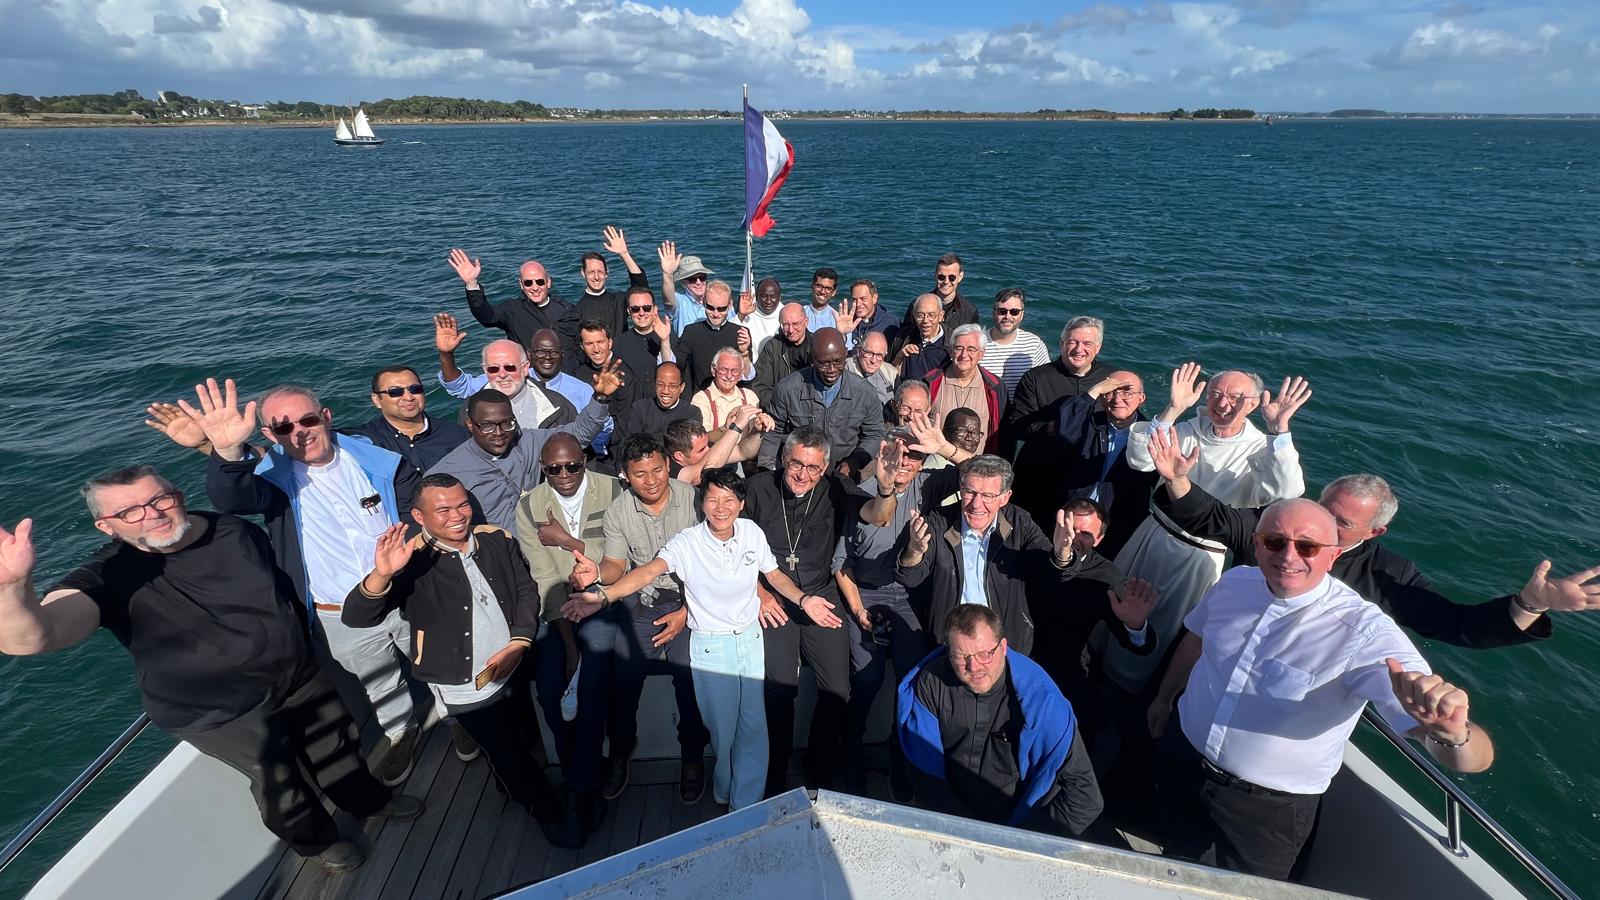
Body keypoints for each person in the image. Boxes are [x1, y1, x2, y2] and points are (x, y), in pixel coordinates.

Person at [0, 467, 420, 873]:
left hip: (299, 676)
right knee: (279, 782)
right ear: (106, 527)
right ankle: (319, 842)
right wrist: (11, 590)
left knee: (337, 745)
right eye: (129, 511)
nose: (152, 514)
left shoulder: (233, 531)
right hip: (219, 711)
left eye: (160, 499)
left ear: (178, 496)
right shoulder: (105, 577)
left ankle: (368, 801)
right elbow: (35, 637)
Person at [1147, 499, 1495, 880]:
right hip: (1183, 756)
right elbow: (1196, 639)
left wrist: (1452, 734)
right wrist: (1164, 699)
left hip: (1267, 809)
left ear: (1333, 556)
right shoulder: (1235, 583)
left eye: (1307, 547)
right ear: (1257, 544)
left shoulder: (1365, 633)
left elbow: (1468, 756)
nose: (1289, 556)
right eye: (1275, 541)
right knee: (1175, 852)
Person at [1148, 431, 1600, 648]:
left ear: (1375, 531)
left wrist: (1530, 604)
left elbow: (1456, 624)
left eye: (1342, 523)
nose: (1321, 527)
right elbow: (1212, 519)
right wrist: (1178, 481)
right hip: (1218, 652)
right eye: (1325, 509)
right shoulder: (1281, 525)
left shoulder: (1387, 575)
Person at [196, 378, 423, 786]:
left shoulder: (377, 461)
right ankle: (401, 732)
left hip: (405, 593)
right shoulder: (272, 482)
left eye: (307, 420)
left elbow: (414, 512)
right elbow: (232, 499)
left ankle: (458, 717)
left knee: (437, 658)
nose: (299, 432)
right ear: (270, 435)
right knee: (379, 681)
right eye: (284, 427)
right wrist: (227, 450)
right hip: (339, 612)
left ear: (326, 416)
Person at [567, 466, 824, 811]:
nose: (721, 508)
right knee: (723, 732)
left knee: (753, 728)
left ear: (741, 504)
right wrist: (604, 595)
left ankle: (744, 807)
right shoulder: (687, 542)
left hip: (749, 640)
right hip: (711, 647)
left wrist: (804, 600)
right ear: (702, 503)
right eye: (713, 499)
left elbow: (774, 575)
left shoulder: (751, 532)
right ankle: (724, 789)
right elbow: (648, 571)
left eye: (729, 500)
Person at [345, 475, 579, 847]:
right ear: (419, 517)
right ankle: (548, 812)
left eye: (462, 504)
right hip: (462, 682)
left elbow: (525, 589)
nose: (457, 516)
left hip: (513, 662)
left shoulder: (495, 538)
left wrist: (519, 642)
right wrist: (381, 575)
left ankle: (511, 783)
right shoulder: (410, 560)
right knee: (508, 753)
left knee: (520, 735)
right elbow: (357, 617)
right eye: (443, 510)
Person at [1103, 364, 1310, 705]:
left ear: (1253, 404)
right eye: (1216, 394)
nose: (1223, 403)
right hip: (1153, 535)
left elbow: (1287, 491)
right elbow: (1139, 460)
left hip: (1201, 558)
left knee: (1168, 628)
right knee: (1118, 603)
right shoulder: (1187, 429)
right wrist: (1172, 409)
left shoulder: (1260, 447)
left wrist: (1279, 430)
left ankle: (1137, 696)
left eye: (1235, 397)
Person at [556, 435, 711, 807]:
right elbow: (615, 565)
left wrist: (687, 613)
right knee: (623, 679)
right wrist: (597, 572)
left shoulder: (694, 500)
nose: (652, 480)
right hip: (643, 601)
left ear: (669, 465)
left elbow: (710, 564)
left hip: (692, 602)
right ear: (625, 475)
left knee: (689, 678)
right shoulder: (619, 511)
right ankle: (621, 750)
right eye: (640, 474)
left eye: (657, 470)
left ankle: (692, 755)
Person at [898, 604, 1106, 838]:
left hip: (1015, 826)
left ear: (1003, 647)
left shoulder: (1041, 702)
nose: (974, 667)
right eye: (961, 656)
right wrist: (959, 833)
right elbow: (923, 768)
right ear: (948, 651)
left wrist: (1019, 841)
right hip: (950, 819)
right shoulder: (930, 682)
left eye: (984, 654)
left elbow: (1086, 797)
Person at [744, 427, 875, 794]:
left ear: (826, 467)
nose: (803, 474)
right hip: (773, 599)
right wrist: (759, 592)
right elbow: (732, 545)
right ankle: (775, 769)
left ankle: (819, 764)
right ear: (784, 459)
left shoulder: (834, 488)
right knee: (779, 689)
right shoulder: (757, 489)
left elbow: (874, 514)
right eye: (797, 464)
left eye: (813, 468)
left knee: (837, 689)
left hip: (821, 595)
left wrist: (886, 488)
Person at [897, 455, 1133, 656]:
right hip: (949, 640)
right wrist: (914, 552)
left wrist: (1062, 554)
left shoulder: (1020, 523)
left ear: (1005, 497)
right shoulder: (938, 522)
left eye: (988, 496)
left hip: (1005, 644)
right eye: (970, 492)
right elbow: (911, 578)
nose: (976, 504)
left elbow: (1050, 570)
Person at [513, 434, 623, 806]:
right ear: (543, 468)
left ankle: (581, 785)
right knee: (548, 688)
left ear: (584, 461)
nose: (564, 475)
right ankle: (574, 764)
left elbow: (618, 558)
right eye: (554, 469)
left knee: (591, 681)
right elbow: (545, 578)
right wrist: (570, 645)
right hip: (558, 608)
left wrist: (567, 541)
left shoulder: (613, 491)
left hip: (605, 598)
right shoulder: (529, 507)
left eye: (572, 466)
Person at [834, 439, 931, 801]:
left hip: (906, 597)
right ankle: (851, 747)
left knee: (912, 677)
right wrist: (858, 609)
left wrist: (941, 444)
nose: (905, 462)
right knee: (868, 677)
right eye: (899, 454)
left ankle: (900, 750)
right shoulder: (862, 494)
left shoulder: (928, 488)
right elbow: (842, 566)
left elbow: (980, 474)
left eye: (915, 456)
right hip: (865, 593)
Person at [427, 380, 616, 531]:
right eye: (487, 426)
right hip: (499, 553)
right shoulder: (448, 472)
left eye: (507, 423)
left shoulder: (527, 441)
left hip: (545, 542)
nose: (499, 433)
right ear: (470, 424)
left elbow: (578, 435)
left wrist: (600, 398)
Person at [1001, 316, 1115, 527]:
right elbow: (1017, 425)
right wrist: (1054, 428)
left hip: (1088, 478)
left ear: (1098, 347)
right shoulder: (1035, 378)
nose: (1079, 349)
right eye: (1073, 342)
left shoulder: (1110, 378)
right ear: (1062, 343)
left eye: (1087, 343)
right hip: (1040, 475)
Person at [1050, 370, 1158, 557]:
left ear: (1141, 398)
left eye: (1127, 392)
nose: (1117, 399)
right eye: (1110, 391)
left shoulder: (1147, 435)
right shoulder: (1090, 423)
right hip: (1076, 511)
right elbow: (1065, 431)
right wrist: (1093, 391)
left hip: (1121, 519)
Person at [760, 327, 887, 479]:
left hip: (843, 476)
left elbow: (874, 434)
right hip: (800, 474)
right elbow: (773, 431)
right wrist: (767, 473)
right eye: (824, 363)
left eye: (838, 362)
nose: (832, 369)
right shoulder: (788, 389)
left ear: (846, 354)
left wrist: (854, 462)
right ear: (812, 358)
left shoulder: (865, 393)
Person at [344, 365, 470, 491]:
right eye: (395, 392)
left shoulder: (458, 435)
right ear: (377, 400)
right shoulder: (364, 443)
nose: (409, 397)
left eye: (415, 389)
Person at [448, 248, 579, 354]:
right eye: (528, 283)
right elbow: (487, 317)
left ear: (548, 282)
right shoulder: (512, 310)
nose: (535, 288)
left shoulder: (566, 309)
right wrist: (472, 283)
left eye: (540, 282)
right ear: (521, 284)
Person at [440, 336, 577, 430]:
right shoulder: (469, 409)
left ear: (525, 368)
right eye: (493, 369)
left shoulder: (558, 406)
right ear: (485, 371)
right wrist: (446, 354)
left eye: (510, 367)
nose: (502, 375)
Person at [925, 323, 1007, 454]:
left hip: (978, 463)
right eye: (959, 348)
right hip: (936, 461)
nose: (964, 355)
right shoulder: (930, 383)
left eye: (971, 349)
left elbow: (1003, 432)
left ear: (981, 354)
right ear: (951, 351)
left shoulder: (996, 387)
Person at [573, 318, 637, 462]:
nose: (596, 349)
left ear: (610, 342)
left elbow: (627, 423)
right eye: (589, 344)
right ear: (582, 346)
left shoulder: (625, 375)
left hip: (614, 452)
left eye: (600, 342)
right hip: (583, 445)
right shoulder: (578, 374)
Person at [675, 280, 754, 393]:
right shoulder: (691, 332)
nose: (716, 314)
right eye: (711, 308)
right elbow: (676, 365)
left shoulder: (740, 333)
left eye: (721, 309)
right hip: (701, 397)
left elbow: (748, 377)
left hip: (733, 396)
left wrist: (745, 353)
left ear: (730, 305)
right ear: (704, 303)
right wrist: (665, 341)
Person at [575, 225, 651, 341]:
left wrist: (624, 254)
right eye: (591, 272)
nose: (596, 277)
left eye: (600, 272)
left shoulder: (619, 301)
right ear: (583, 273)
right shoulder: (577, 310)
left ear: (607, 273)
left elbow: (641, 287)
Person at [664, 408, 769, 486]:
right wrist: (737, 427)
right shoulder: (671, 471)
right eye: (701, 450)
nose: (708, 449)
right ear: (679, 456)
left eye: (707, 445)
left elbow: (743, 452)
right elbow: (708, 467)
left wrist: (758, 431)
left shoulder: (705, 450)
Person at [981, 288, 1050, 400]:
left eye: (1014, 312)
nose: (1007, 316)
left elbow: (1045, 382)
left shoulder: (1034, 345)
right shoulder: (977, 343)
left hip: (1021, 408)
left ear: (1022, 315)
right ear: (994, 313)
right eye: (1002, 311)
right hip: (987, 407)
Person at [615, 362, 701, 449]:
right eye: (660, 385)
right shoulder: (640, 409)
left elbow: (688, 449)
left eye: (672, 386)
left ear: (681, 387)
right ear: (654, 384)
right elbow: (630, 445)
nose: (665, 391)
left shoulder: (691, 413)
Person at [613, 285, 676, 397]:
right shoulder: (618, 344)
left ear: (654, 309)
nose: (641, 313)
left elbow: (673, 373)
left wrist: (665, 340)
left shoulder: (672, 340)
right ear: (629, 311)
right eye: (635, 309)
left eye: (646, 308)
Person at [691, 347, 762, 440]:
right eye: (723, 370)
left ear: (741, 374)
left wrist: (760, 426)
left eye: (734, 371)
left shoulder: (750, 396)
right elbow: (702, 439)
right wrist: (725, 428)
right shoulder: (701, 399)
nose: (729, 376)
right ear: (713, 370)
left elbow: (753, 437)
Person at [750, 302, 811, 405]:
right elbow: (760, 386)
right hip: (780, 406)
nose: (791, 330)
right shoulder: (773, 347)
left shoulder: (816, 345)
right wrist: (783, 405)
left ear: (806, 322)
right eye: (785, 325)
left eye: (795, 324)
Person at [901, 252, 978, 329]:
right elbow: (905, 333)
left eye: (951, 277)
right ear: (935, 275)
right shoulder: (917, 305)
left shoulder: (969, 311)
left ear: (960, 277)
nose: (946, 282)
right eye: (941, 277)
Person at [658, 240, 714, 336]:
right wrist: (668, 274)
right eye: (692, 279)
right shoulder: (680, 302)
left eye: (702, 277)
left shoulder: (717, 301)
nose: (698, 282)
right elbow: (669, 302)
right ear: (683, 283)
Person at [891, 293, 949, 384]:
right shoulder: (903, 337)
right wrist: (900, 357)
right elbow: (890, 376)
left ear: (941, 316)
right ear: (913, 315)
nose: (925, 321)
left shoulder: (952, 344)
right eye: (920, 315)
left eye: (931, 315)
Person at [835, 278, 899, 350]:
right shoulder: (846, 319)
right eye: (855, 299)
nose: (858, 304)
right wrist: (841, 334)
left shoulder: (891, 323)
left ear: (874, 298)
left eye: (863, 299)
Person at [844, 330, 897, 407]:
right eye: (869, 353)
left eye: (879, 355)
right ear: (858, 351)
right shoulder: (845, 371)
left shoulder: (891, 373)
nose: (873, 360)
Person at [735, 276, 783, 353]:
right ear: (756, 297)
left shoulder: (786, 314)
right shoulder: (748, 313)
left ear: (780, 297)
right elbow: (729, 332)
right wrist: (741, 315)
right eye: (764, 296)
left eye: (773, 297)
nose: (768, 301)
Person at [803, 267, 840, 332]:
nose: (822, 292)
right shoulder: (800, 314)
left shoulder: (838, 320)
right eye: (819, 286)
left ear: (833, 292)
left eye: (828, 288)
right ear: (812, 286)